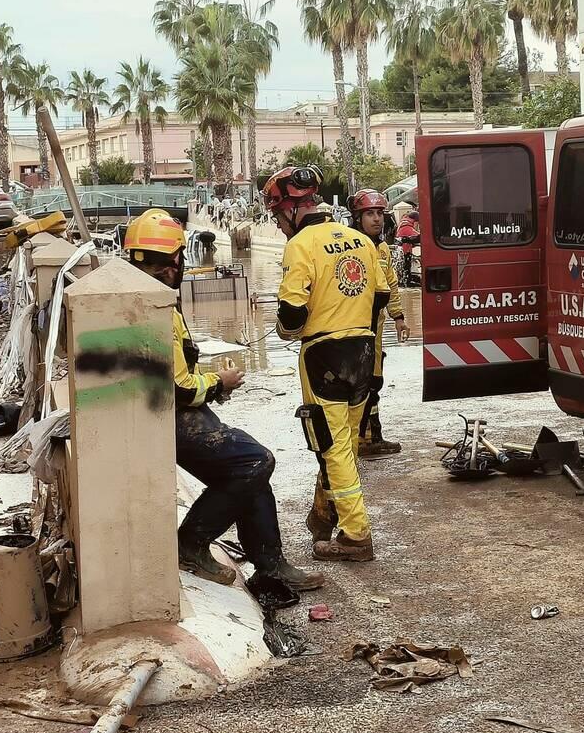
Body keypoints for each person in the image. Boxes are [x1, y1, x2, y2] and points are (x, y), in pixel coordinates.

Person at [122, 209, 324, 599]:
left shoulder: (145, 296)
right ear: (176, 259)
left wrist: (212, 384)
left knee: (252, 463)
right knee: (253, 462)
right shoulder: (153, 306)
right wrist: (220, 382)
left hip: (156, 411)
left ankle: (270, 564)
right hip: (164, 416)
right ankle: (191, 543)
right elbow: (179, 389)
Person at [263, 167, 389, 562]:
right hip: (363, 352)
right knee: (346, 443)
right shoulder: (360, 241)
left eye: (278, 216)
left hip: (323, 356)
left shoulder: (300, 245)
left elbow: (293, 312)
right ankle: (324, 515)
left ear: (290, 210)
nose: (280, 224)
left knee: (331, 447)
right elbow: (381, 297)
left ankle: (356, 534)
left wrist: (286, 328)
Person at [348, 189, 411, 458]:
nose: (376, 219)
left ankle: (370, 436)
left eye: (379, 214)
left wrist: (399, 318)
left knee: (374, 382)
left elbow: (392, 286)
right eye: (369, 214)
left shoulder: (383, 249)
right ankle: (355, 439)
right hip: (352, 328)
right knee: (357, 384)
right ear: (357, 218)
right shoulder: (349, 247)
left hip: (375, 329)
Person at [395, 209, 421, 288]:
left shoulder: (403, 224)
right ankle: (406, 282)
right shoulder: (407, 227)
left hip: (402, 252)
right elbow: (419, 237)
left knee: (404, 268)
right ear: (415, 221)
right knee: (406, 267)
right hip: (405, 252)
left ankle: (404, 281)